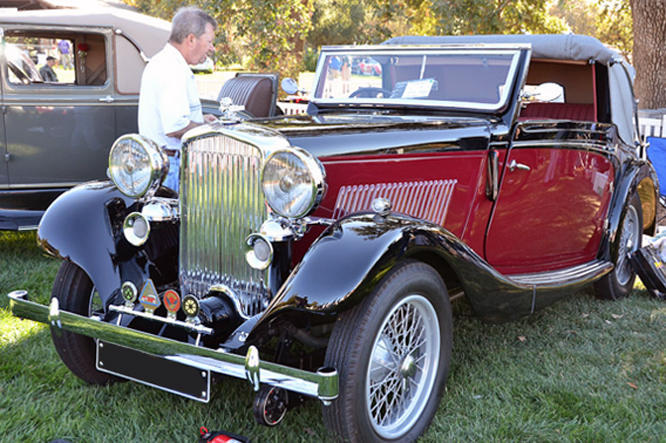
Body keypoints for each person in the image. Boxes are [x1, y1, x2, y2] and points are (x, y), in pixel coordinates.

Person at [138, 7, 218, 193]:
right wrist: (213, 130)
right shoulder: (172, 69)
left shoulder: (162, 61)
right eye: (209, 42)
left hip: (161, 162)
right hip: (171, 167)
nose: (211, 48)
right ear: (191, 39)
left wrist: (199, 120)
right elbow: (175, 126)